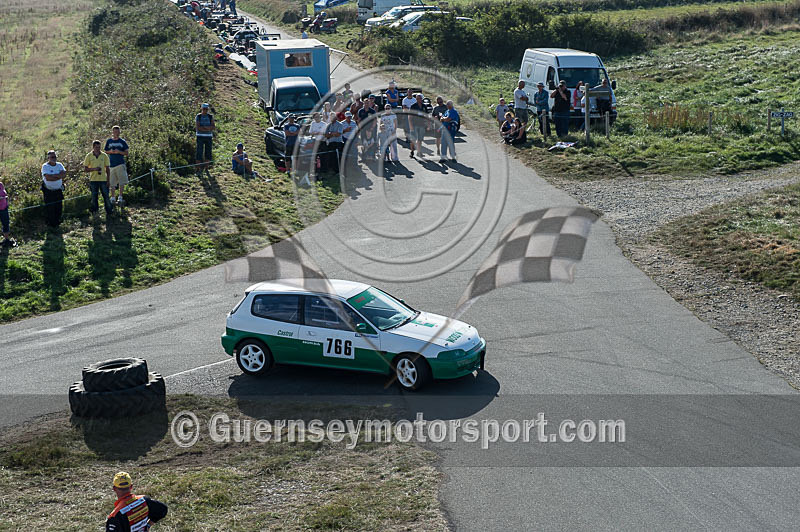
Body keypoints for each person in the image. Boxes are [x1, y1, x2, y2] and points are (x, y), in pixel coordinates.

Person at [84, 140, 113, 218]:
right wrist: (94, 169)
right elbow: (86, 169)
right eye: (96, 147)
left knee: (106, 196)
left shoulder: (104, 156)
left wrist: (108, 180)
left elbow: (108, 169)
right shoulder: (89, 156)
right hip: (93, 180)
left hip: (103, 180)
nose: (98, 149)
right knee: (94, 198)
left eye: (99, 147)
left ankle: (109, 212)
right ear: (93, 147)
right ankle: (95, 213)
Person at [104, 126, 129, 206]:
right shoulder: (109, 141)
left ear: (119, 132)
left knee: (121, 181)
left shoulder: (122, 141)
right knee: (112, 182)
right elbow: (106, 151)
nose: (116, 133)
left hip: (120, 163)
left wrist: (119, 152)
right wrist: (111, 151)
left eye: (118, 132)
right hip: (111, 164)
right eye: (115, 131)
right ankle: (113, 197)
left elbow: (126, 153)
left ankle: (120, 197)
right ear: (112, 132)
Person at [41, 150, 66, 228]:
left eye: (55, 156)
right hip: (49, 191)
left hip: (58, 190)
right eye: (52, 157)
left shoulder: (59, 165)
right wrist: (58, 176)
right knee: (50, 209)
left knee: (59, 208)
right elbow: (48, 178)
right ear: (48, 158)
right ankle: (51, 226)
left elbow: (64, 175)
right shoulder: (45, 166)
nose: (54, 158)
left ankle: (58, 224)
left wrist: (54, 176)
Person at [195, 103, 215, 173]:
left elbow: (213, 127)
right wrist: (207, 128)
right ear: (201, 109)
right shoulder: (198, 116)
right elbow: (198, 127)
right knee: (199, 152)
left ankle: (206, 168)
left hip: (208, 137)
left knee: (208, 152)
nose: (205, 110)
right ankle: (198, 168)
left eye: (206, 109)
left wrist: (204, 128)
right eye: (204, 109)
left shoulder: (210, 116)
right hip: (200, 136)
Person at [357, 96, 377, 161]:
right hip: (363, 129)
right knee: (363, 143)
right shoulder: (360, 111)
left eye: (367, 103)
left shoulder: (372, 111)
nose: (366, 104)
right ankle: (364, 157)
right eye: (365, 103)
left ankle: (372, 156)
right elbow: (359, 120)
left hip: (372, 128)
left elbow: (375, 120)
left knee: (372, 142)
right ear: (363, 104)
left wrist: (372, 128)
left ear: (369, 103)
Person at [408, 93, 427, 158]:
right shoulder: (413, 106)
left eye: (420, 98)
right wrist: (411, 126)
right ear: (416, 99)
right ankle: (412, 151)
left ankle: (419, 152)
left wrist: (428, 124)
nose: (419, 99)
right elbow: (410, 116)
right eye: (418, 98)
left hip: (422, 125)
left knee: (420, 140)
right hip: (414, 125)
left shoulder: (424, 106)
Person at [0, 181, 16, 248]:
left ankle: (6, 240)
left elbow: (5, 195)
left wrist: (6, 202)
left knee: (6, 223)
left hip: (4, 208)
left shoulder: (0, 184)